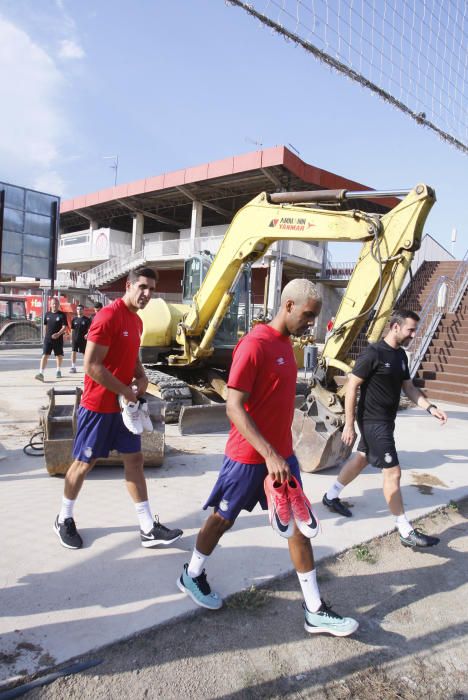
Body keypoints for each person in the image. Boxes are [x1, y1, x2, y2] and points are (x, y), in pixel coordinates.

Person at [177, 279, 358, 637]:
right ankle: (192, 574)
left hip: (282, 459)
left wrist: (283, 450)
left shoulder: (286, 345)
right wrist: (269, 453)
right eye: (308, 315)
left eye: (315, 317)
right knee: (222, 520)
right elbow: (233, 406)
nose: (312, 323)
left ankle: (315, 609)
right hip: (248, 458)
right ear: (288, 306)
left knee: (298, 529)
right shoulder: (255, 345)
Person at [54, 266, 183, 550]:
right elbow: (91, 365)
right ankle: (64, 518)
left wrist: (142, 376)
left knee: (134, 462)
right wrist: (126, 390)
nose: (147, 294)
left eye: (151, 289)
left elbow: (131, 356)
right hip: (98, 407)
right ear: (129, 285)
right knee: (83, 464)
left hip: (125, 410)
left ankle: (148, 528)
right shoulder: (107, 317)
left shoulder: (136, 321)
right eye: (142, 287)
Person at [322, 309, 448, 548]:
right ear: (395, 327)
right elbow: (352, 387)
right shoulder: (373, 353)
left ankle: (330, 496)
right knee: (393, 472)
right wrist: (349, 424)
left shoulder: (401, 356)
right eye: (410, 329)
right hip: (372, 421)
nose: (413, 334)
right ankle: (404, 530)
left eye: (414, 330)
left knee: (361, 459)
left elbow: (409, 388)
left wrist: (430, 407)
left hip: (386, 421)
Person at [35, 297, 68, 381]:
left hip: (58, 339)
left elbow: (64, 327)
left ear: (58, 305)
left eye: (56, 303)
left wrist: (58, 334)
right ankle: (41, 373)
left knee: (59, 355)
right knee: (45, 355)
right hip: (48, 339)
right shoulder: (47, 314)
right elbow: (45, 325)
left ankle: (58, 370)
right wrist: (45, 336)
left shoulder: (62, 315)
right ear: (50, 304)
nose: (55, 305)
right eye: (53, 303)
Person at [69, 304, 91, 373]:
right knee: (73, 352)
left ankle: (86, 367)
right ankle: (73, 367)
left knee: (84, 353)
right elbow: (72, 329)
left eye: (80, 309)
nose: (79, 310)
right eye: (78, 309)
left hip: (83, 339)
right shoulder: (74, 319)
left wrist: (87, 334)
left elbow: (90, 329)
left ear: (83, 310)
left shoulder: (87, 320)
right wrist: (71, 338)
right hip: (75, 339)